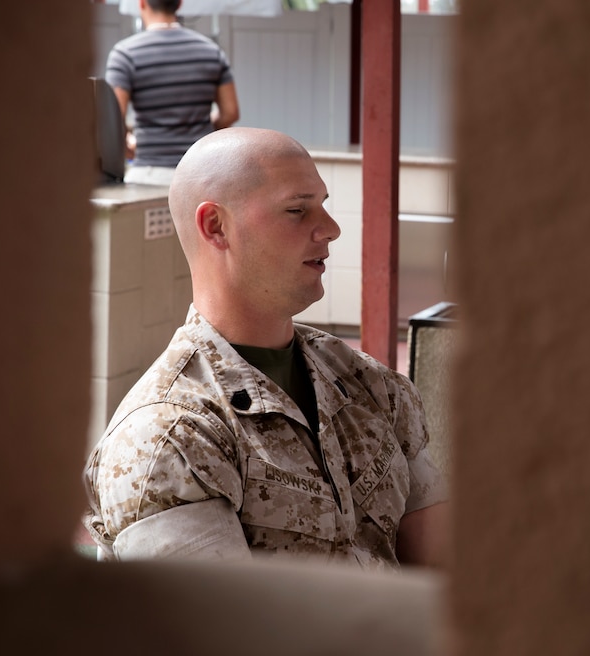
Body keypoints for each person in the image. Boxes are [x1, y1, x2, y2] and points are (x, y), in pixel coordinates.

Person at [83, 127, 449, 567]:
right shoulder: (171, 437)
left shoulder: (370, 385)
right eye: (297, 210)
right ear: (216, 227)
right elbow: (221, 632)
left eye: (323, 207)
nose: (330, 229)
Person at [105, 0, 240, 185]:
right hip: (200, 174)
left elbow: (112, 121)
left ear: (142, 3)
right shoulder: (211, 51)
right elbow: (230, 112)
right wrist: (202, 131)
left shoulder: (125, 54)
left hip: (150, 173)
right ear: (179, 4)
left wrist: (127, 148)